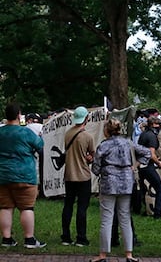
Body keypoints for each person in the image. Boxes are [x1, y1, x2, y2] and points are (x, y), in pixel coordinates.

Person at [90, 118, 151, 262]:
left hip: (108, 184)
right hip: (126, 183)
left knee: (106, 219)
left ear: (107, 131)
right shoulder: (128, 142)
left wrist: (102, 170)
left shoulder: (103, 146)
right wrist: (135, 165)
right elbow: (147, 153)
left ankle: (103, 255)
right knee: (125, 218)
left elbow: (96, 167)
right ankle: (129, 254)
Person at [0, 102, 45, 248]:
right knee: (27, 207)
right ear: (19, 115)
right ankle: (29, 239)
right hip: (24, 175)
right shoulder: (25, 132)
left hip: (3, 175)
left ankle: (7, 239)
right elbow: (40, 145)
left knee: (5, 207)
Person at [61, 106, 95, 247]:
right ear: (86, 118)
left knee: (68, 205)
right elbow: (91, 156)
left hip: (69, 175)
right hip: (83, 176)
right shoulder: (87, 136)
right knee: (82, 208)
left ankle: (66, 237)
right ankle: (81, 238)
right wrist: (88, 157)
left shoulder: (68, 133)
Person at [137, 116, 161, 219]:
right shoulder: (152, 136)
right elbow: (151, 154)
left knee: (143, 190)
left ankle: (143, 209)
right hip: (148, 166)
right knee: (159, 189)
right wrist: (159, 163)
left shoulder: (143, 134)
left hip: (141, 166)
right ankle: (157, 213)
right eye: (157, 125)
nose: (158, 127)